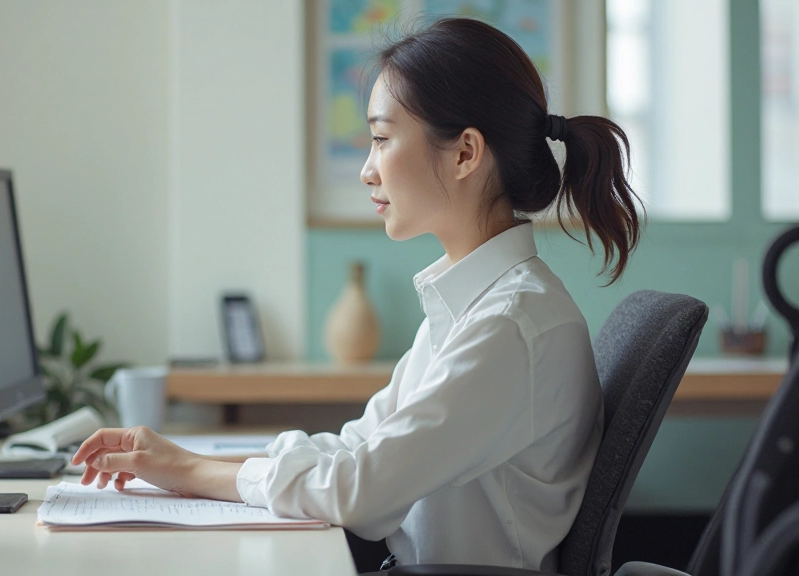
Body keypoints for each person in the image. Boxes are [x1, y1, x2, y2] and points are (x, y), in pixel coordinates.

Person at [71, 17, 641, 572]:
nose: (368, 170)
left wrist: (193, 474)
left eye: (381, 139)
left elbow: (355, 492)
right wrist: (182, 461)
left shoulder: (512, 326)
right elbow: (357, 448)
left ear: (465, 153)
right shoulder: (473, 306)